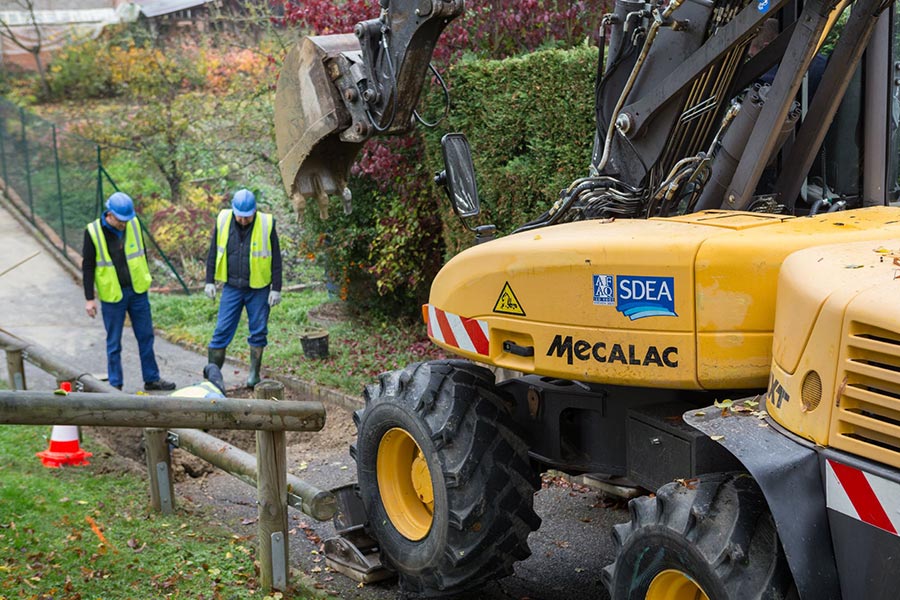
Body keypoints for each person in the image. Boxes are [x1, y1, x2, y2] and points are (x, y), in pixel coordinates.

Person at [83, 192, 176, 392]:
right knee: (114, 342)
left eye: (126, 219)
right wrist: (89, 299)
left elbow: (139, 253)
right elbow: (88, 266)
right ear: (109, 214)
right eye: (120, 220)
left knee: (146, 336)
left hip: (137, 292)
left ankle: (152, 378)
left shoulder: (133, 224)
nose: (124, 224)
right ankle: (115, 385)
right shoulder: (93, 232)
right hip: (113, 296)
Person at [204, 189, 282, 388]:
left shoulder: (266, 224)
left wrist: (276, 288)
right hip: (232, 287)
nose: (243, 220)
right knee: (221, 331)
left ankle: (254, 375)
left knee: (258, 331)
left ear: (254, 211)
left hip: (259, 288)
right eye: (240, 216)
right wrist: (209, 281)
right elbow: (213, 251)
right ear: (233, 210)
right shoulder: (223, 220)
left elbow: (276, 258)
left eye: (248, 216)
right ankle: (213, 379)